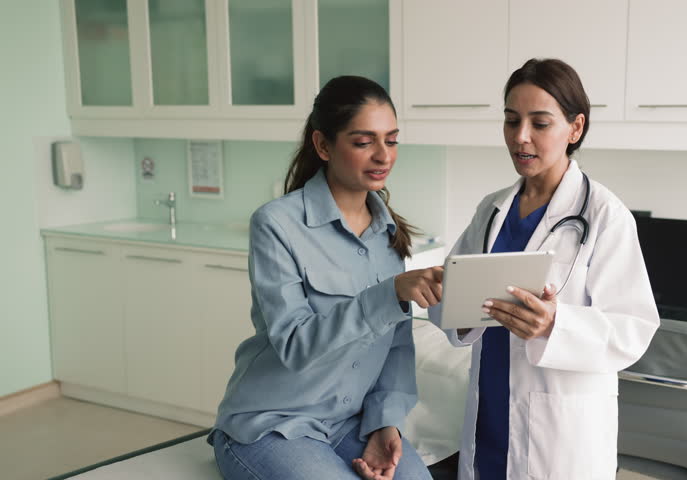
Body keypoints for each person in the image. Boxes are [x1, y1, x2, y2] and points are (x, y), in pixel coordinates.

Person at [429, 58, 660, 479]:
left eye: (540, 123)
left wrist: (557, 323)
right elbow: (450, 306)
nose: (521, 138)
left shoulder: (605, 214)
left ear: (575, 128)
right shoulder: (492, 209)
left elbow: (634, 329)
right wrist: (454, 310)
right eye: (511, 120)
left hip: (559, 432)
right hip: (490, 412)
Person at [209, 75, 440, 480]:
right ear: (323, 145)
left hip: (348, 423)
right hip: (270, 424)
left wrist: (384, 422)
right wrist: (389, 294)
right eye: (364, 141)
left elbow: (396, 348)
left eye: (392, 139)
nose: (383, 155)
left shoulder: (389, 235)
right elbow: (296, 345)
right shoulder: (277, 224)